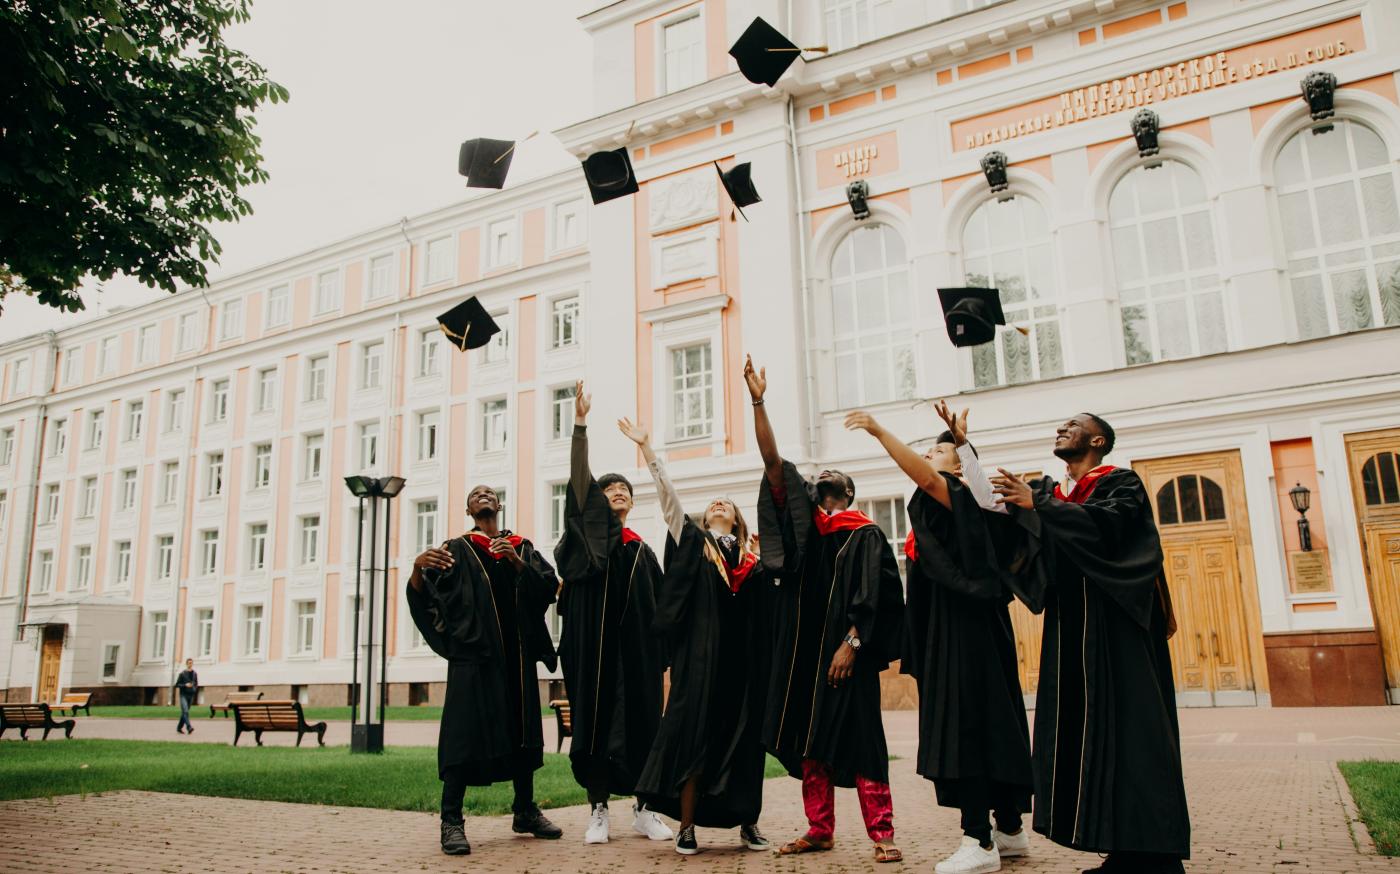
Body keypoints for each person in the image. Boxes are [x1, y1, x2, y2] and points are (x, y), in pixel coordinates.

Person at [991, 414, 1190, 874]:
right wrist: (970, 457)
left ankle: (1158, 860)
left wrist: (1040, 508)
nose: (1062, 429)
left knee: (1135, 738)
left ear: (1097, 441)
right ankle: (1121, 852)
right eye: (1061, 425)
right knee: (1095, 741)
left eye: (1074, 425)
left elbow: (1110, 529)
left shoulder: (1122, 484)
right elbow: (1033, 546)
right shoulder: (1053, 494)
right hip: (1074, 635)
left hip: (1118, 633)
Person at [846, 402, 1035, 874]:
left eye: (937, 450)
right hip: (971, 628)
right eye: (928, 449)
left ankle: (979, 840)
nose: (929, 456)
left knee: (965, 725)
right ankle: (1009, 830)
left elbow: (929, 480)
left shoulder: (955, 493)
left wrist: (878, 431)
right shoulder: (969, 504)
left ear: (959, 465)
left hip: (964, 630)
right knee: (992, 720)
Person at [744, 355, 906, 864]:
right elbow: (774, 465)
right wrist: (758, 401)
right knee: (811, 744)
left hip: (847, 658)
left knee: (863, 742)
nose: (822, 475)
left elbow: (876, 603)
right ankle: (820, 829)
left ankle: (883, 835)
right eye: (819, 476)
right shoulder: (812, 538)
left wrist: (852, 644)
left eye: (834, 474)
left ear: (849, 491)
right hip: (807, 661)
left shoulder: (866, 534)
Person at [620, 416, 772, 856]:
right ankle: (687, 828)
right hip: (700, 664)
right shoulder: (695, 546)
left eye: (728, 502)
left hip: (742, 668)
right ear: (706, 518)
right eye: (714, 503)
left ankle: (749, 823)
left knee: (745, 745)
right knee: (693, 742)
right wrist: (649, 450)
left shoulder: (753, 562)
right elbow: (669, 501)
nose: (720, 504)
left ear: (738, 520)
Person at [407, 484, 564, 856]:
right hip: (475, 660)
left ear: (499, 505)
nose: (483, 495)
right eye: (475, 494)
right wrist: (416, 569)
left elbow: (549, 589)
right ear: (468, 510)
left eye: (489, 493)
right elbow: (426, 596)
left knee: (522, 733)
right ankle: (451, 820)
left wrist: (515, 562)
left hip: (517, 659)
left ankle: (524, 811)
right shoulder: (455, 551)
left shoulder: (521, 547)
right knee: (463, 737)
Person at [553, 381, 672, 845]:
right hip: (594, 656)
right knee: (597, 728)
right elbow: (579, 481)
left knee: (645, 728)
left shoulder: (642, 551)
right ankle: (598, 809)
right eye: (609, 488)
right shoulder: (587, 545)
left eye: (624, 488)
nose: (618, 491)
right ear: (596, 504)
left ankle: (644, 810)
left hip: (638, 659)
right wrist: (580, 424)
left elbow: (663, 606)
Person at [175, 658, 198, 735]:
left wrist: (194, 688)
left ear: (192, 664)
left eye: (191, 663)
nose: (190, 664)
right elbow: (177, 685)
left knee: (184, 713)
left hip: (191, 695)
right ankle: (189, 727)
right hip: (183, 695)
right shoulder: (182, 674)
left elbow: (196, 683)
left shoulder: (195, 674)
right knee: (185, 711)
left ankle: (179, 728)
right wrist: (185, 685)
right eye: (188, 663)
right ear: (186, 664)